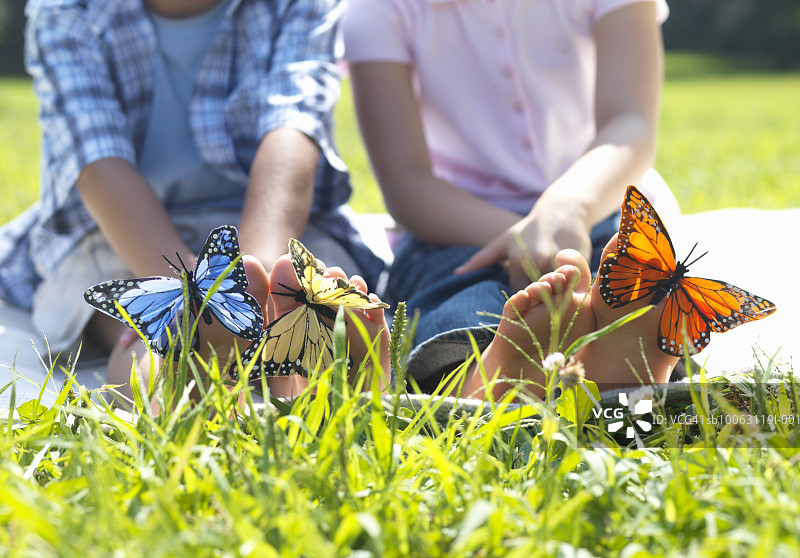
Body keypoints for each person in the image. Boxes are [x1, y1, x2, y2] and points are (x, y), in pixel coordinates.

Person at [0, 0, 387, 400]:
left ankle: (285, 376)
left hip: (272, 221)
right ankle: (176, 376)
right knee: (144, 321)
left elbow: (291, 135)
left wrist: (261, 283)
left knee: (302, 285)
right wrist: (197, 300)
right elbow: (98, 165)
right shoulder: (69, 11)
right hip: (120, 230)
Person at [343, 0, 680, 396]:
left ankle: (609, 361)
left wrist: (567, 210)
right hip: (451, 224)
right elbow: (408, 183)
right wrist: (525, 238)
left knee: (643, 290)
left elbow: (631, 123)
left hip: (601, 202)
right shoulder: (378, 9)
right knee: (460, 297)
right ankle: (488, 372)